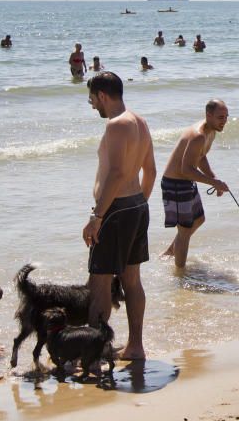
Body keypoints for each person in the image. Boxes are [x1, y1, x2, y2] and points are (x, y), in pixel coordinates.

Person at [82, 72, 156, 361]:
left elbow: (115, 173)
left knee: (100, 281)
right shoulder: (140, 122)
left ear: (102, 95)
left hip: (116, 210)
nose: (91, 105)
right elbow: (150, 170)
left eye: (91, 98)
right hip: (136, 205)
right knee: (132, 281)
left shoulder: (115, 125)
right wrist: (138, 206)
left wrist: (97, 216)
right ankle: (135, 346)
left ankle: (94, 351)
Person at [161, 100, 230, 268]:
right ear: (209, 115)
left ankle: (171, 251)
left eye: (226, 117)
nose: (224, 121)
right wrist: (214, 182)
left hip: (186, 182)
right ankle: (180, 276)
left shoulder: (212, 131)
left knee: (199, 219)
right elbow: (186, 169)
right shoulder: (198, 135)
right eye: (221, 117)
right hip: (175, 184)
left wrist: (213, 179)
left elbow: (201, 157)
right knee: (184, 230)